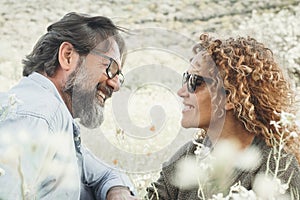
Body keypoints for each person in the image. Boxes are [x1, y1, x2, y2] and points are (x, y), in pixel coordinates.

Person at [0, 12, 138, 200]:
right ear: (67, 57)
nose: (116, 84)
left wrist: (118, 191)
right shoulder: (37, 117)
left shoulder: (54, 117)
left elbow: (105, 173)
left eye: (118, 75)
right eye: (110, 68)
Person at [146, 34, 300, 199]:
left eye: (195, 81)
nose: (182, 92)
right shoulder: (189, 156)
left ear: (230, 96)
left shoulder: (277, 167)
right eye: (186, 78)